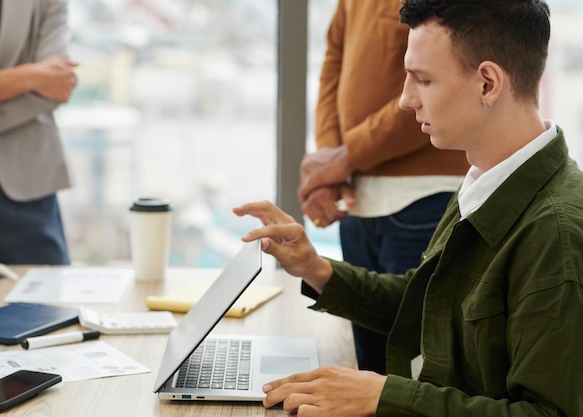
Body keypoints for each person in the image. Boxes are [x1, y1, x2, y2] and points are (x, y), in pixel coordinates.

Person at [234, 0, 583, 415]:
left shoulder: (556, 235)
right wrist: (315, 267)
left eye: (423, 80)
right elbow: (427, 305)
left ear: (488, 83)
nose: (405, 99)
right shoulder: (484, 181)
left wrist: (383, 396)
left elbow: (547, 413)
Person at [299, 0, 469, 373]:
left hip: (424, 197)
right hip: (357, 201)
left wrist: (343, 159)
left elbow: (441, 85)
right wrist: (331, 159)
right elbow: (333, 64)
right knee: (371, 368)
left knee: (416, 370)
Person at [0, 0, 77, 264]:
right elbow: (43, 81)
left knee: (48, 305)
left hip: (27, 202)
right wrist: (28, 77)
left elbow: (57, 86)